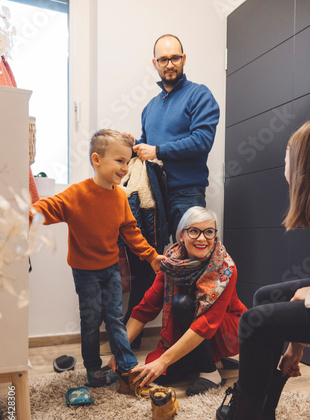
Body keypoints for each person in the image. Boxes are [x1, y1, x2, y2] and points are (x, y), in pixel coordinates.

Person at [183, 116, 310, 420]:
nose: (284, 164)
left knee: (257, 320)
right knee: (267, 298)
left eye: (286, 155)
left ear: (303, 158)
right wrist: (296, 345)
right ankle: (261, 412)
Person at [29, 129, 166, 388]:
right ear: (97, 159)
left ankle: (127, 365)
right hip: (85, 272)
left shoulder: (119, 197)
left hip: (111, 269)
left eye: (127, 162)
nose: (125, 168)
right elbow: (48, 208)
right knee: (90, 320)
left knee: (114, 317)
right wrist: (22, 215)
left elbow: (131, 231)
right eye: (119, 161)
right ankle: (93, 368)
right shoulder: (77, 194)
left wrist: (151, 256)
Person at [124, 34, 220, 348]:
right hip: (155, 197)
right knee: (147, 261)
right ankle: (131, 339)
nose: (169, 64)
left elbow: (201, 141)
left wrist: (158, 149)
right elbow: (148, 148)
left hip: (186, 192)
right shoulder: (150, 107)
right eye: (163, 59)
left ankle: (198, 351)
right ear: (155, 63)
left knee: (194, 269)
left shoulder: (199, 95)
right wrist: (134, 145)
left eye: (174, 58)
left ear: (183, 59)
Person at [123, 206, 246, 396]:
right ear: (181, 235)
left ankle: (211, 373)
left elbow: (206, 323)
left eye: (209, 232)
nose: (202, 238)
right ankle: (211, 359)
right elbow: (144, 309)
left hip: (229, 328)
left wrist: (163, 360)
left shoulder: (226, 268)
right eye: (194, 231)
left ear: (215, 235)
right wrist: (120, 350)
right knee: (158, 374)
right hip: (193, 331)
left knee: (182, 304)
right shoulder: (170, 265)